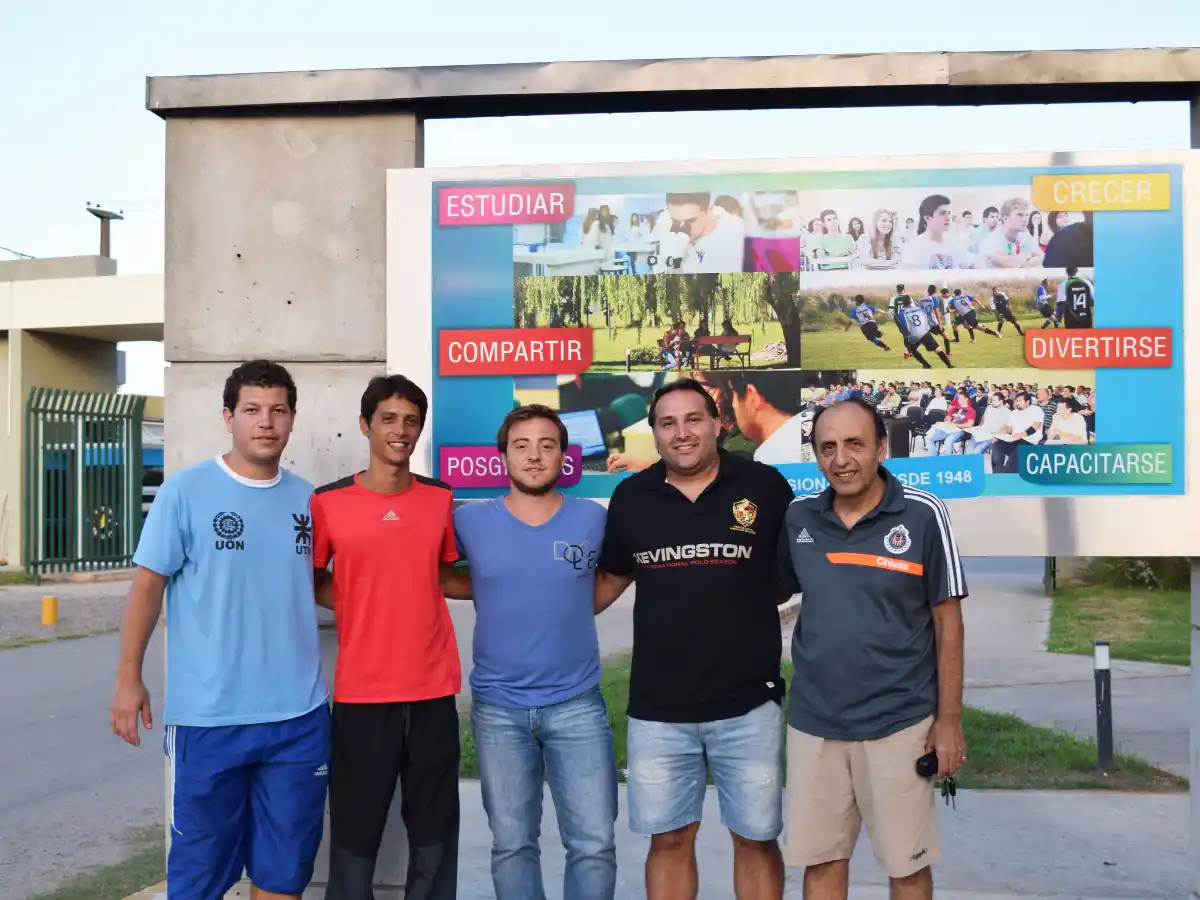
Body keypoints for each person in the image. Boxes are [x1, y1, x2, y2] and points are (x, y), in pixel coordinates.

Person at [110, 360, 330, 900]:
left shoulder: (311, 500)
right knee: (199, 879)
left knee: (283, 875)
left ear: (293, 419)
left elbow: (323, 588)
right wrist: (127, 679)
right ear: (228, 416)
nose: (266, 422)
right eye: (252, 410)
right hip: (210, 719)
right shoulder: (184, 492)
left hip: (298, 718)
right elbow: (146, 589)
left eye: (278, 410)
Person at [594, 378, 796, 900]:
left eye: (693, 420)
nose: (681, 433)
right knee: (669, 840)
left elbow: (790, 577)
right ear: (655, 433)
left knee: (755, 839)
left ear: (716, 424)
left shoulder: (765, 487)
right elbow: (607, 582)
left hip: (749, 705)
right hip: (659, 711)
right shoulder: (632, 498)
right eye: (668, 423)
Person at [776, 398, 968, 900]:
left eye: (855, 444)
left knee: (906, 868)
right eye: (828, 448)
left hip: (899, 722)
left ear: (881, 448)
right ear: (816, 457)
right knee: (820, 865)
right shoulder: (799, 519)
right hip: (815, 722)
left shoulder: (924, 515)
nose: (842, 459)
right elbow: (761, 591)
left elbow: (949, 622)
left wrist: (949, 722)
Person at [450, 404, 618, 900]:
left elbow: (614, 574)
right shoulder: (470, 521)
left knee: (593, 844)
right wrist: (488, 588)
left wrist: (573, 606)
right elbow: (438, 574)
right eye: (521, 445)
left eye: (547, 445)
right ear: (502, 456)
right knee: (512, 845)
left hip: (577, 705)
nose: (534, 455)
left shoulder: (592, 517)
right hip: (499, 709)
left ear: (564, 457)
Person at [311, 375, 461, 900]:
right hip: (362, 694)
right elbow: (310, 580)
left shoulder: (440, 498)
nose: (401, 431)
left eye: (411, 421)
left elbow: (440, 574)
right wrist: (358, 597)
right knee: (355, 833)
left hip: (432, 690)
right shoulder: (327, 503)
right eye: (389, 419)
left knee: (435, 834)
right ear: (365, 426)